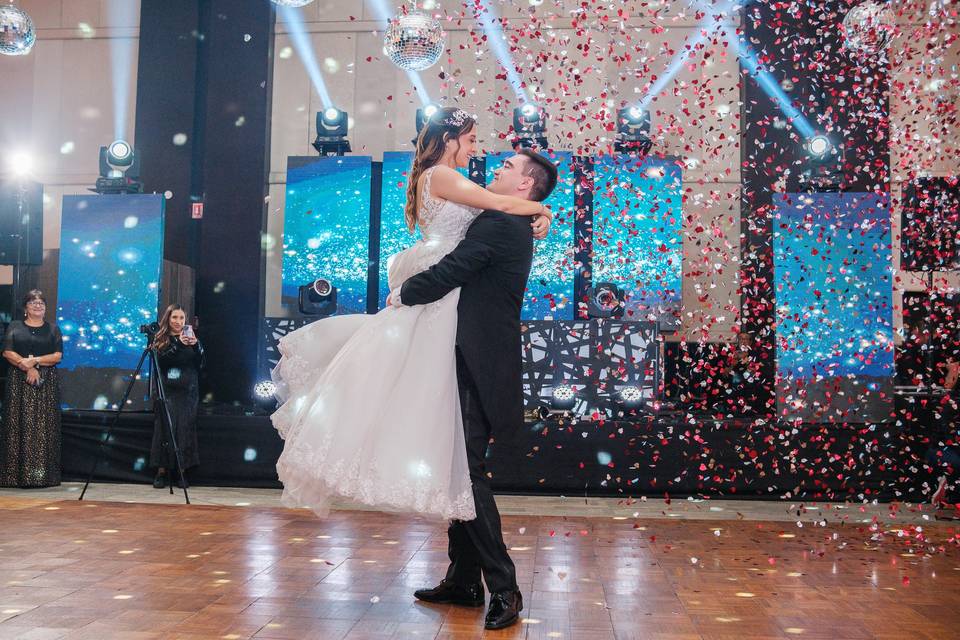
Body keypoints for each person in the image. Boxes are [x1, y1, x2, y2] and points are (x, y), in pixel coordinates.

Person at [271, 106, 552, 526]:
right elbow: (498, 203)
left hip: (450, 298)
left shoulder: (448, 179)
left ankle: (463, 571)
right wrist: (543, 211)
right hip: (442, 289)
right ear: (450, 139)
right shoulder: (442, 176)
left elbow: (497, 208)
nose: (478, 149)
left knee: (437, 415)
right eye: (472, 140)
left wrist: (539, 210)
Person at [389, 150, 557, 631]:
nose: (497, 169)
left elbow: (452, 271)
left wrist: (402, 294)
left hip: (477, 364)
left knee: (466, 472)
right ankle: (463, 580)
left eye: (508, 168)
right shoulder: (505, 219)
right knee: (456, 467)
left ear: (524, 186)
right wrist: (545, 211)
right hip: (465, 359)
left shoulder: (500, 227)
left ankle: (504, 586)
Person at [0, 290, 63, 488]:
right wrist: (25, 366)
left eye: (41, 303)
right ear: (25, 307)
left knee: (43, 425)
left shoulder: (53, 329)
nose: (38, 306)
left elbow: (57, 356)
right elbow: (7, 352)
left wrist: (34, 362)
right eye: (33, 302)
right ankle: (14, 476)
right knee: (17, 424)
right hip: (18, 382)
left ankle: (43, 476)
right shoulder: (15, 326)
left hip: (46, 383)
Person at [149, 304, 203, 488]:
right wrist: (179, 343)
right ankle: (161, 471)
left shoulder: (191, 338)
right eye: (174, 318)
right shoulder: (161, 339)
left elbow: (201, 364)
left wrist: (196, 347)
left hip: (188, 391)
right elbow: (163, 362)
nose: (178, 322)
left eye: (181, 318)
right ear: (168, 319)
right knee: (164, 429)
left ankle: (182, 471)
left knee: (185, 430)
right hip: (167, 390)